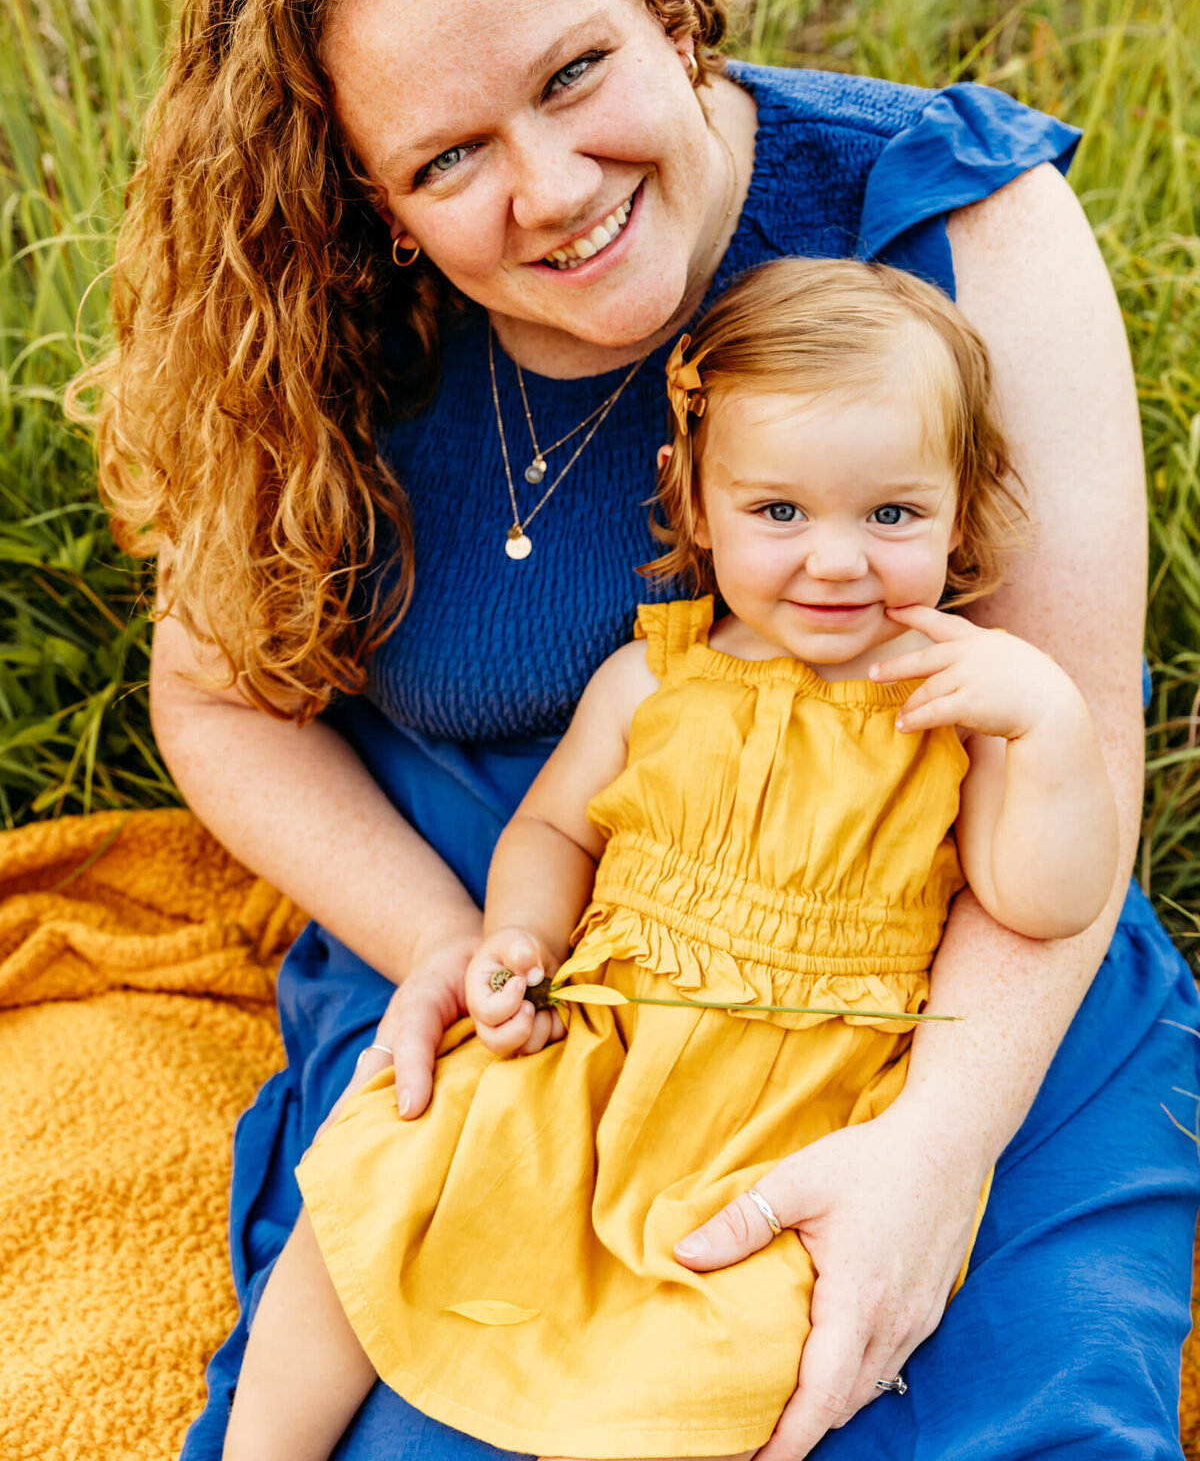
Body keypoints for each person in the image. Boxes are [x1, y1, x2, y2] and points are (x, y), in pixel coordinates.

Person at [81, 0, 1199, 1460]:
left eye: (574, 74)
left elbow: (1078, 737)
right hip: (537, 960)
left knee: (972, 1410)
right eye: (447, 160)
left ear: (664, 9)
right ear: (381, 201)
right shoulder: (323, 313)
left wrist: (935, 1153)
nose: (549, 188)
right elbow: (221, 700)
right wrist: (454, 955)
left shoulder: (955, 219)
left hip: (938, 956)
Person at [221, 258, 1119, 1461]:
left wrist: (1051, 729)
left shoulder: (956, 706)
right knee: (369, 1201)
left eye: (892, 515)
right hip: (602, 1053)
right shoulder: (652, 676)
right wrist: (520, 940)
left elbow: (1042, 897)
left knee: (725, 1368)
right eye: (780, 512)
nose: (838, 559)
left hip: (797, 1116)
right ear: (695, 502)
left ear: (960, 510)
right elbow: (553, 829)